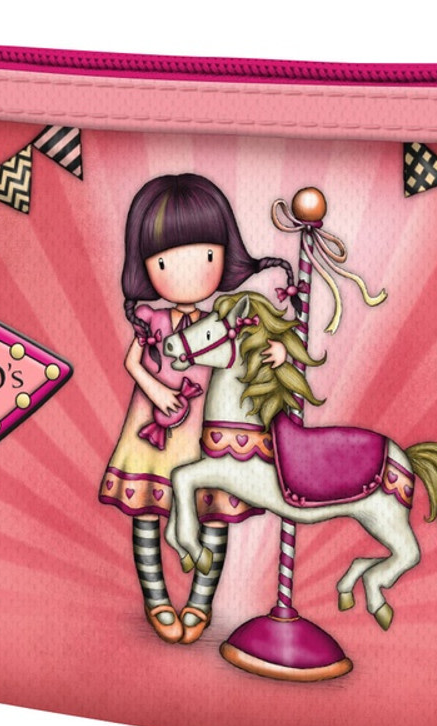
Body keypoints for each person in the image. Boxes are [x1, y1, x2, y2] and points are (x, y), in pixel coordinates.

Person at [98, 173, 290, 644]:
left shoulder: (221, 321)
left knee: (213, 513)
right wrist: (156, 390)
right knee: (146, 509)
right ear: (146, 265)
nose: (187, 274)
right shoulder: (152, 319)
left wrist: (280, 350)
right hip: (152, 425)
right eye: (166, 261)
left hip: (205, 429)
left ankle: (200, 603)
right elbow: (131, 362)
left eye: (205, 256)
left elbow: (252, 347)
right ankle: (156, 599)